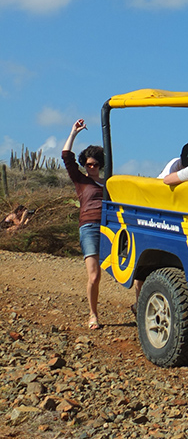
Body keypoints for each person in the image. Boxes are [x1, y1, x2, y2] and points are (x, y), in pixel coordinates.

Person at [61, 119, 107, 330]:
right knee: (94, 275)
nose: (91, 167)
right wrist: (73, 132)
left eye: (95, 164)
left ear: (100, 165)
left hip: (110, 228)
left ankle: (138, 305)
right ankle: (93, 314)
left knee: (134, 270)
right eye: (88, 164)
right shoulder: (81, 181)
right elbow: (66, 157)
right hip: (89, 227)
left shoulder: (109, 184)